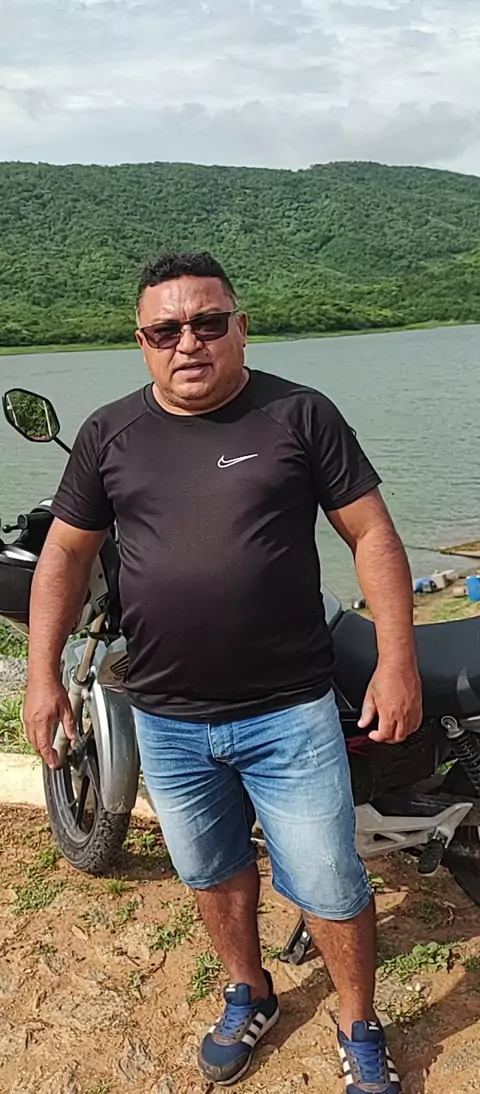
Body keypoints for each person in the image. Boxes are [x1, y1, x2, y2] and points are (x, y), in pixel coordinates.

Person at [23, 252, 422, 1093]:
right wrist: (42, 676)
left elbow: (372, 536)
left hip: (290, 711)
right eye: (166, 330)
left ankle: (357, 1023)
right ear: (142, 342)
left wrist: (397, 660)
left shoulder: (298, 414)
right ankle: (250, 989)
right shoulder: (108, 434)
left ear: (241, 327)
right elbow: (64, 554)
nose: (189, 342)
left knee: (329, 881)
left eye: (208, 323)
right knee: (210, 871)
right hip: (165, 717)